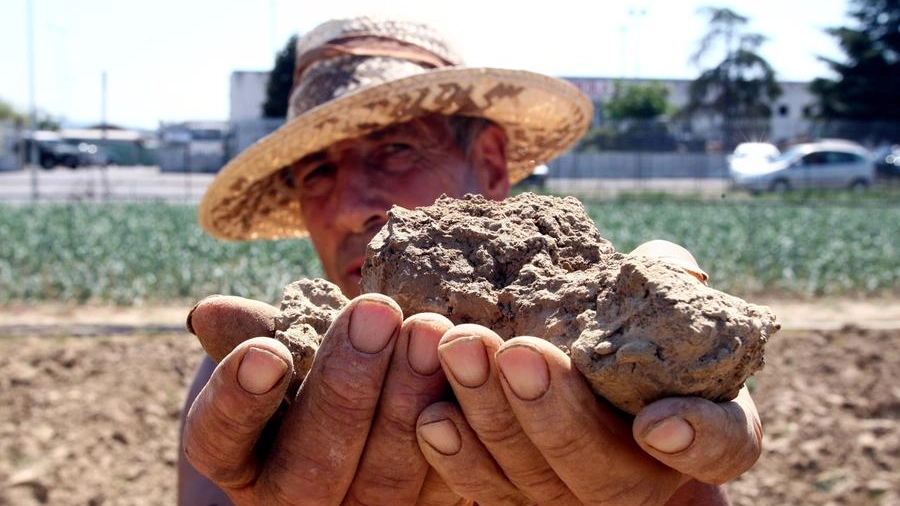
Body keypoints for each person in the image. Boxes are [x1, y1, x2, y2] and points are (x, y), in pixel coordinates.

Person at [179, 16, 762, 506]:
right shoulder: (261, 374)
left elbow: (675, 462)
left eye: (396, 149)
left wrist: (663, 404)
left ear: (488, 166)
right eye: (318, 172)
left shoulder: (603, 332)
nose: (354, 206)